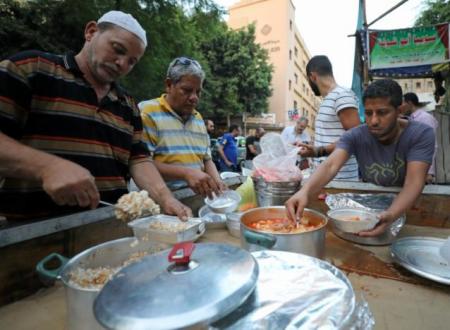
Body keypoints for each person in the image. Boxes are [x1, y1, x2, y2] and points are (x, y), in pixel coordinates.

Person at [0, 11, 191, 221]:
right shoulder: (30, 69)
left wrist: (165, 198)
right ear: (91, 32)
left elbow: (138, 160)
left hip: (109, 229)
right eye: (117, 49)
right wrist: (47, 167)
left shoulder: (128, 105)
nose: (122, 64)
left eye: (132, 61)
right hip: (28, 235)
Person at [286, 79, 435, 237]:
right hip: (368, 212)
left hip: (410, 212)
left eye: (382, 112)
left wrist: (391, 215)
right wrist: (305, 192)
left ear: (399, 111)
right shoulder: (355, 135)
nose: (374, 121)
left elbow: (413, 182)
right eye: (369, 113)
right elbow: (330, 166)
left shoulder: (421, 134)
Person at [139, 57, 225, 198]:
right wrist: (186, 173)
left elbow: (206, 159)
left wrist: (218, 181)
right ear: (169, 85)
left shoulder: (198, 118)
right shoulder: (148, 112)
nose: (194, 98)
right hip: (159, 201)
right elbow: (142, 163)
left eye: (198, 92)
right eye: (187, 90)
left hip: (194, 198)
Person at [298, 55, 361, 180]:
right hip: (326, 180)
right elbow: (333, 137)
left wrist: (318, 151)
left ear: (313, 77)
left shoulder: (342, 95)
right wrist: (311, 147)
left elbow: (356, 137)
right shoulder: (329, 99)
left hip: (341, 181)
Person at [399, 92, 438, 183]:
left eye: (402, 103)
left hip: (423, 170)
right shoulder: (411, 119)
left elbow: (432, 145)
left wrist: (429, 171)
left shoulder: (425, 118)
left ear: (409, 103)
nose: (400, 107)